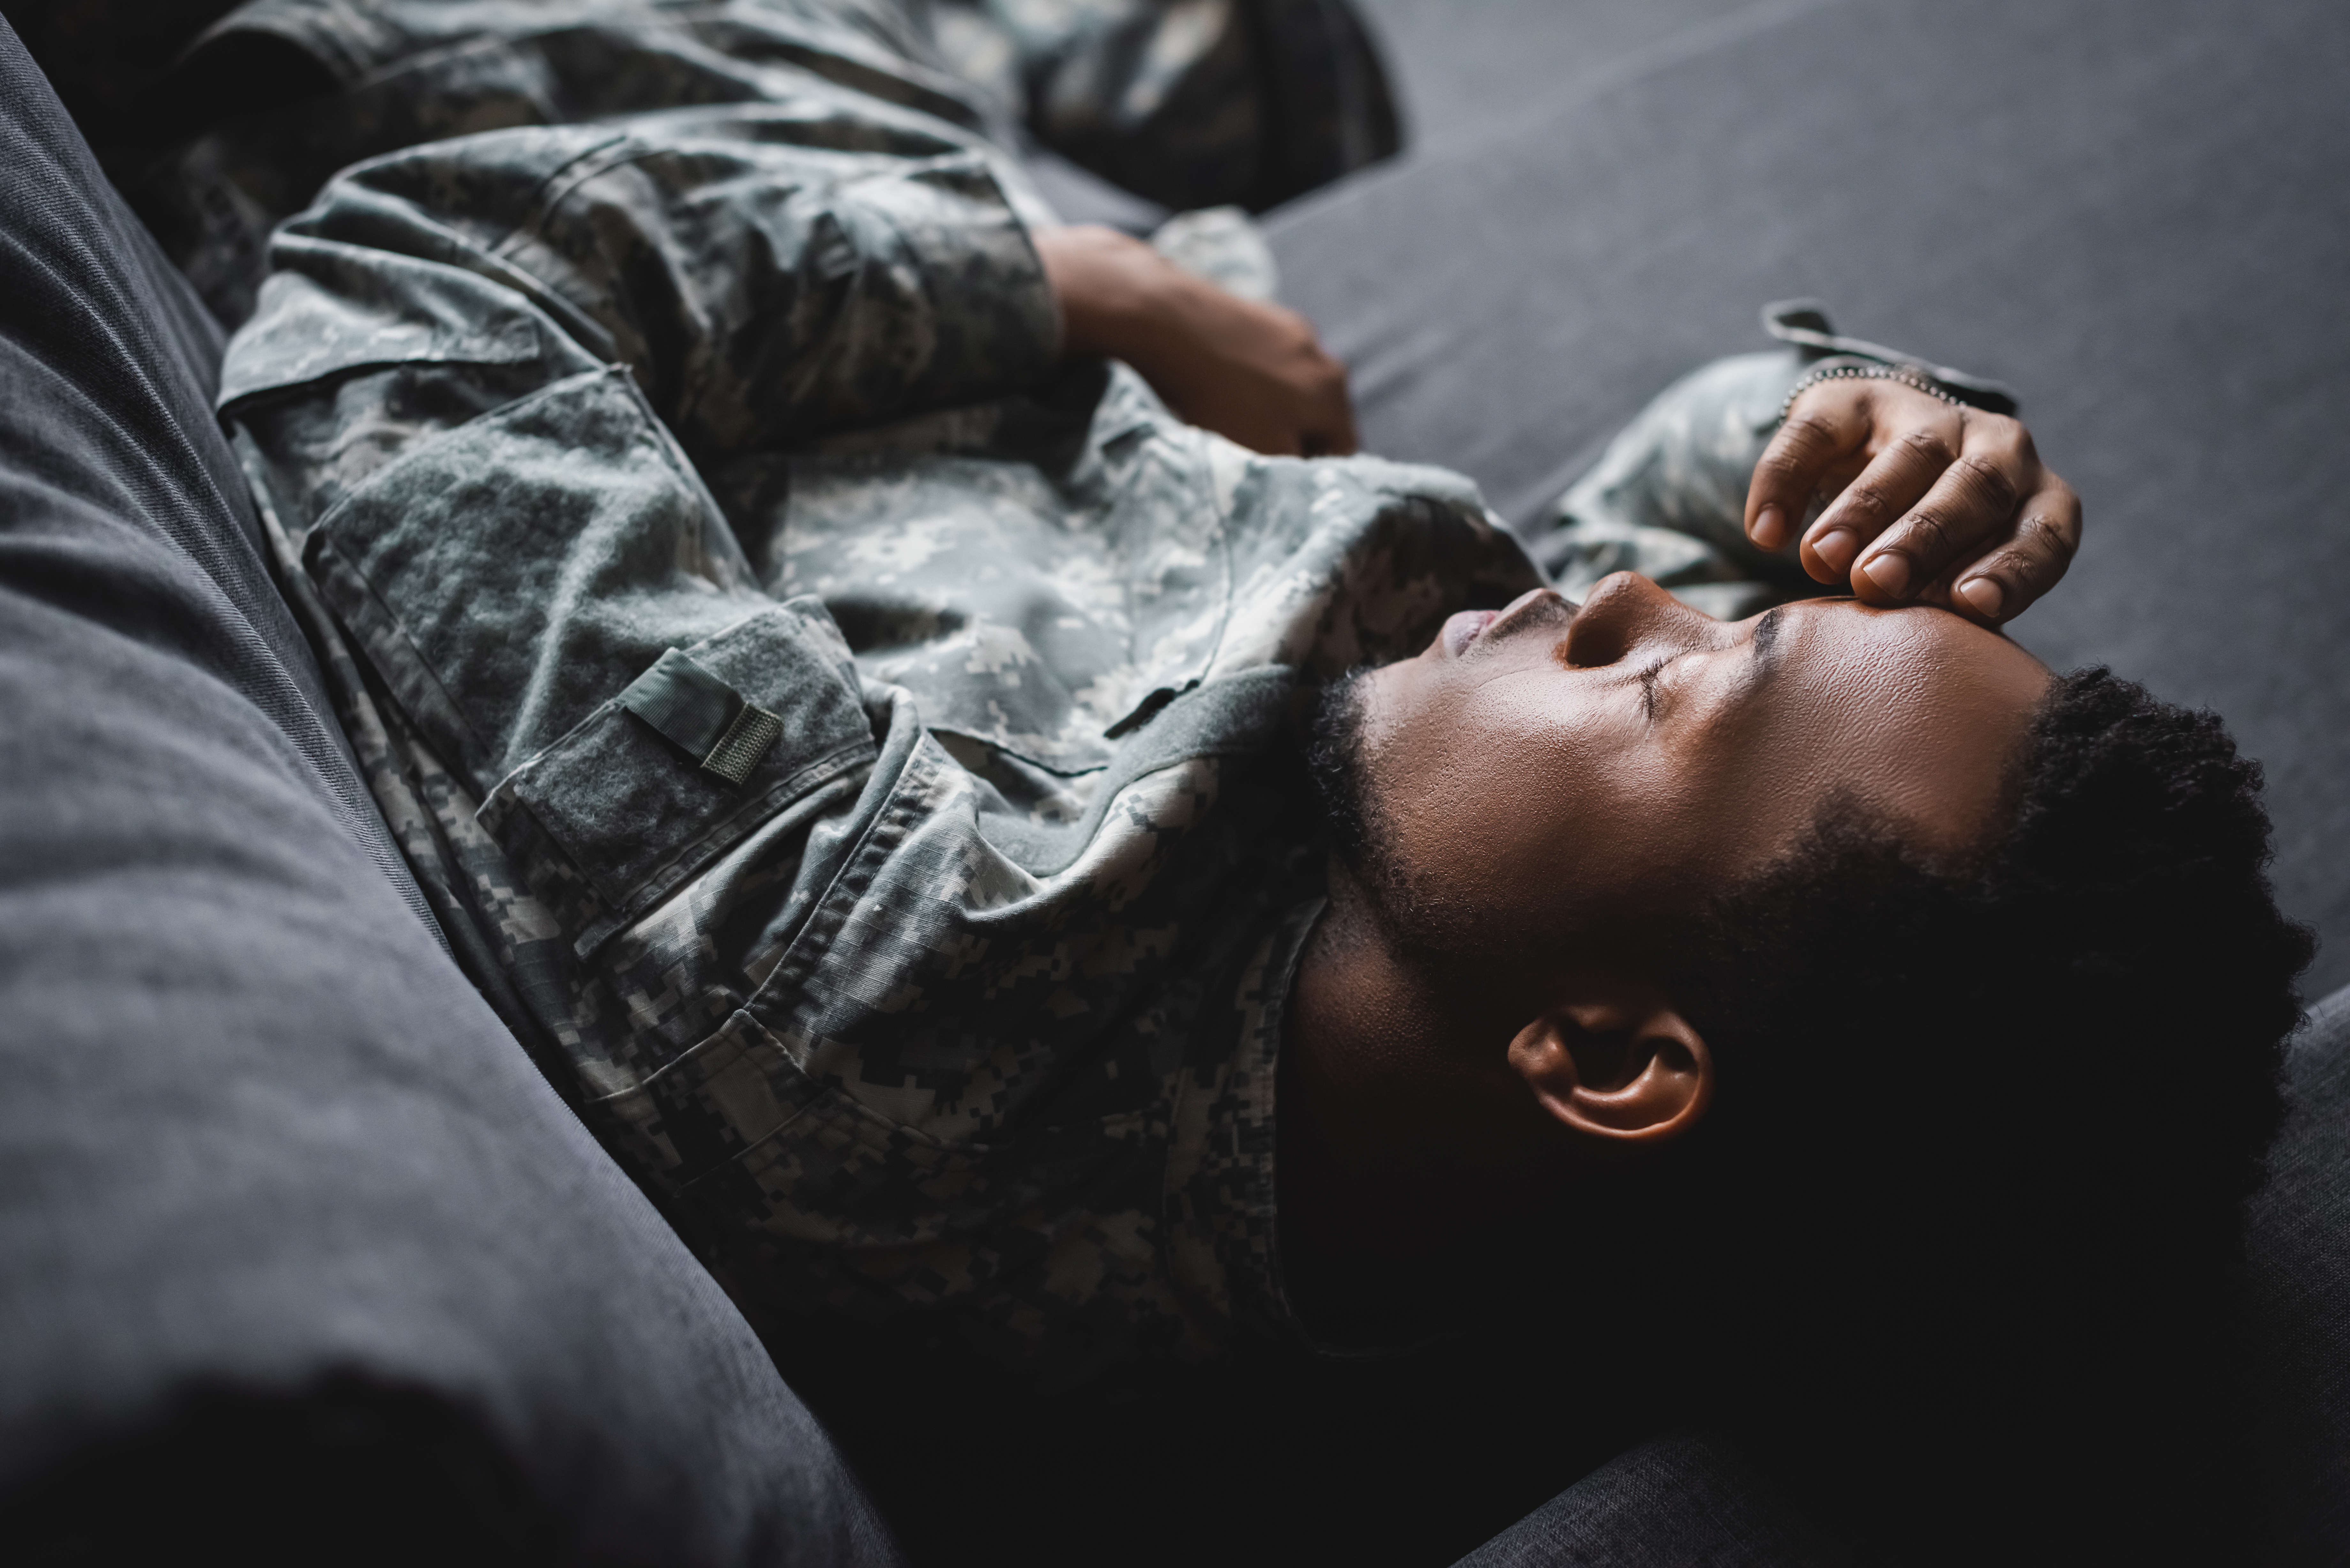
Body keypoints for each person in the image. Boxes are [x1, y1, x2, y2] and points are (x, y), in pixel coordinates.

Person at [181, 0, 2306, 1439]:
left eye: (1682, 671)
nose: (1628, 600)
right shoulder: (1461, 947)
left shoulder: (868, 973)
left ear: (1608, 1061)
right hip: (902, 119)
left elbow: (421, 303)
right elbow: (1668, 530)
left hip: (558, 85)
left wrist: (1069, 286)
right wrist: (1899, 449)